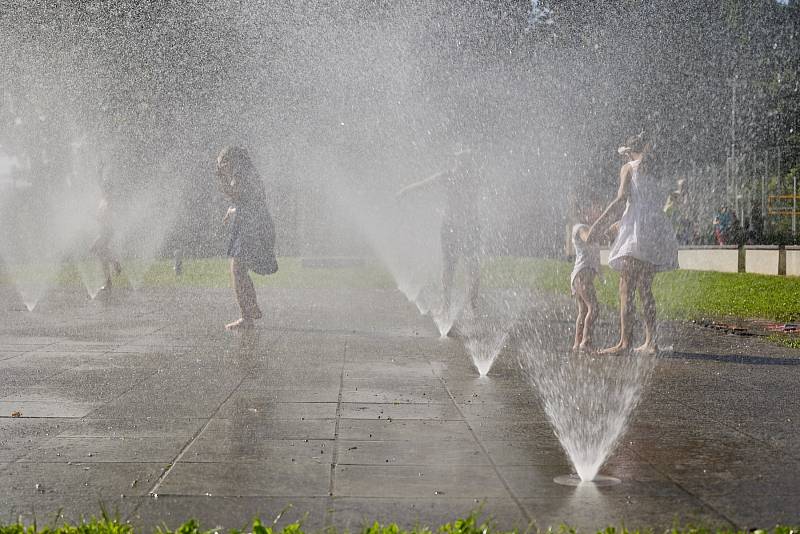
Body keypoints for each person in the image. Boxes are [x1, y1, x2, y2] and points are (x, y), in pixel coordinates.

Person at [587, 132, 678, 354]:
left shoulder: (629, 168)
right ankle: (651, 342)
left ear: (628, 152)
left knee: (625, 287)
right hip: (655, 229)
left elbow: (621, 201)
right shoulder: (654, 171)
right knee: (645, 288)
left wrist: (597, 226)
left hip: (637, 231)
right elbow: (645, 204)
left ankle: (624, 342)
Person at [397, 148, 481, 327]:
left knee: (470, 266)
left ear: (468, 164)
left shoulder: (469, 179)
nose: (460, 164)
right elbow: (425, 184)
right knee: (451, 267)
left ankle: (470, 307)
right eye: (459, 161)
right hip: (452, 227)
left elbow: (425, 184)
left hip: (467, 226)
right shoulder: (451, 176)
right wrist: (406, 191)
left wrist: (406, 191)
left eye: (463, 161)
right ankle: (448, 306)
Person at [216, 146, 278, 331]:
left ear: (231, 161)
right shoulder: (248, 173)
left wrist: (221, 177)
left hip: (251, 228)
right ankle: (250, 310)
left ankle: (248, 314)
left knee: (237, 269)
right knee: (240, 269)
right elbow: (248, 201)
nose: (222, 168)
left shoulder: (241, 173)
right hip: (255, 225)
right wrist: (232, 209)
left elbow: (234, 194)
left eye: (222, 163)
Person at [90, 164, 122, 292]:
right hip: (104, 229)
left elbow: (108, 214)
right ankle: (108, 282)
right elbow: (99, 184)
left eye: (104, 188)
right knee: (100, 254)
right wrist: (99, 172)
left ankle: (116, 263)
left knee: (94, 248)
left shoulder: (109, 200)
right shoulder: (104, 198)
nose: (102, 189)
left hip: (107, 230)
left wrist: (100, 218)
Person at [570, 223, 601, 351]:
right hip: (583, 276)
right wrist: (600, 223)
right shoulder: (580, 227)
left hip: (580, 276)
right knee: (593, 308)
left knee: (583, 311)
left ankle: (577, 343)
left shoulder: (587, 229)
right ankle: (586, 341)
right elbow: (587, 237)